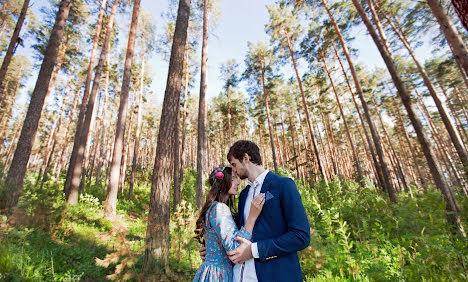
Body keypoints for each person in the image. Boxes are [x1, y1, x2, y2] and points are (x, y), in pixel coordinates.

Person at [200, 140, 310, 281]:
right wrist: (212, 249)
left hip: (274, 276)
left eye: (234, 164)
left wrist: (254, 251)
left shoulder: (283, 185)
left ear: (246, 158)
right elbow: (236, 234)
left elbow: (301, 236)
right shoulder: (244, 194)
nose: (233, 170)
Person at [193, 166, 266, 282]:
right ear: (223, 182)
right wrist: (252, 217)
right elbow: (235, 249)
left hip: (213, 271)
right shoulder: (219, 209)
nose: (237, 182)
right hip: (218, 275)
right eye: (233, 179)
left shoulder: (214, 208)